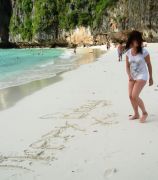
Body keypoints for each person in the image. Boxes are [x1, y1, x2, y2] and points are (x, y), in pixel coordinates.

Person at [126, 31, 153, 123]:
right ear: (131, 41)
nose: (137, 41)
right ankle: (136, 114)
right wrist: (129, 75)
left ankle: (144, 113)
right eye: (135, 39)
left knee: (134, 95)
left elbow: (149, 64)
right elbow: (127, 66)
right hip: (132, 76)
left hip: (142, 75)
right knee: (130, 96)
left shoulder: (144, 52)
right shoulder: (128, 53)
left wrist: (151, 77)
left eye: (138, 39)